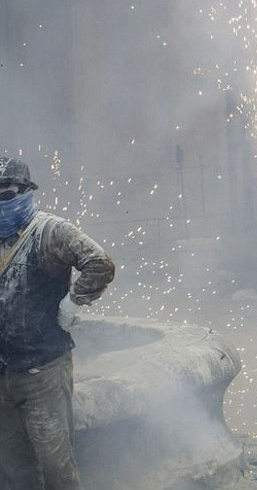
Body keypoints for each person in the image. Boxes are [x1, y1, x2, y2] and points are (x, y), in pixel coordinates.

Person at [0, 156, 116, 490]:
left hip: (43, 373)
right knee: (15, 466)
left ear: (26, 191)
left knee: (57, 467)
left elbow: (99, 263)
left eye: (6, 194)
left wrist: (72, 303)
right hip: (3, 374)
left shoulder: (49, 231)